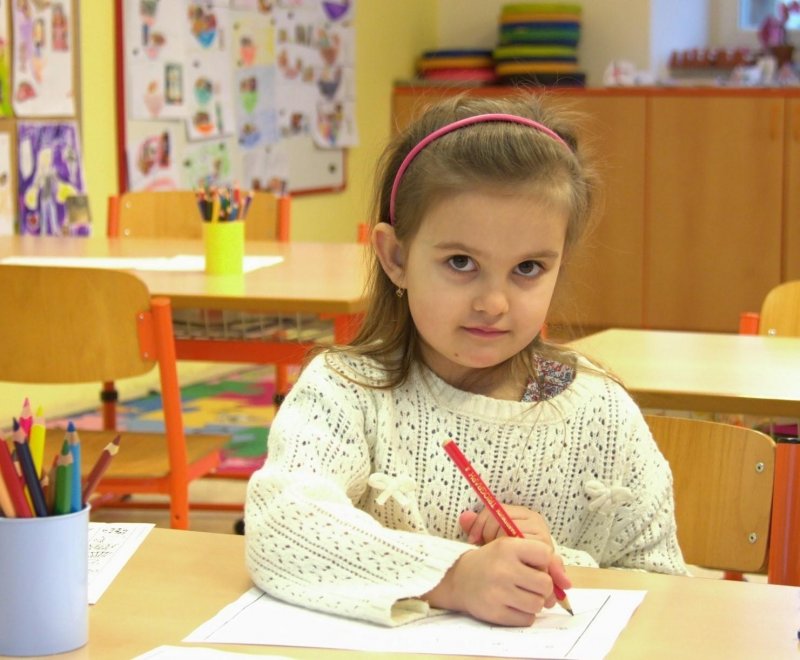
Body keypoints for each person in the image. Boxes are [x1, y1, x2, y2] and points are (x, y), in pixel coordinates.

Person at [245, 93, 688, 628]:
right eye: (461, 262)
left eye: (528, 268)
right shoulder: (344, 391)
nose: (494, 303)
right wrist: (454, 577)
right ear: (396, 257)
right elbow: (279, 525)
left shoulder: (602, 414)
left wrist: (550, 564)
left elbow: (666, 590)